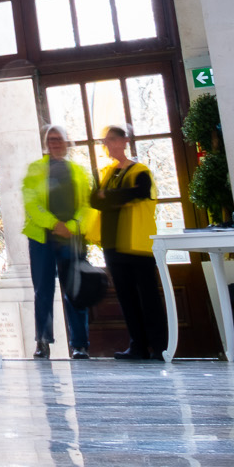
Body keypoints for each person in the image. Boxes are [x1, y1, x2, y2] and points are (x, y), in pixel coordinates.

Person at [22, 123, 98, 360]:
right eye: (51, 139)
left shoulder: (78, 171)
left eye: (59, 139)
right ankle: (42, 342)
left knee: (75, 291)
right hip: (42, 238)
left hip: (71, 240)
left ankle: (80, 345)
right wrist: (54, 224)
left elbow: (87, 205)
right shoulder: (35, 169)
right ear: (46, 143)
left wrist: (73, 226)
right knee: (43, 291)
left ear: (67, 143)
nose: (55, 143)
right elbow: (31, 202)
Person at [93, 125, 167, 360]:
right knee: (126, 296)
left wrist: (110, 197)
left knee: (148, 297)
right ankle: (138, 346)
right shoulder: (106, 173)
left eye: (113, 140)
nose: (109, 145)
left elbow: (141, 191)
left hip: (137, 243)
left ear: (125, 141)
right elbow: (94, 199)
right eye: (106, 141)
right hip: (113, 243)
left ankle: (160, 347)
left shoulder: (140, 170)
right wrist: (115, 196)